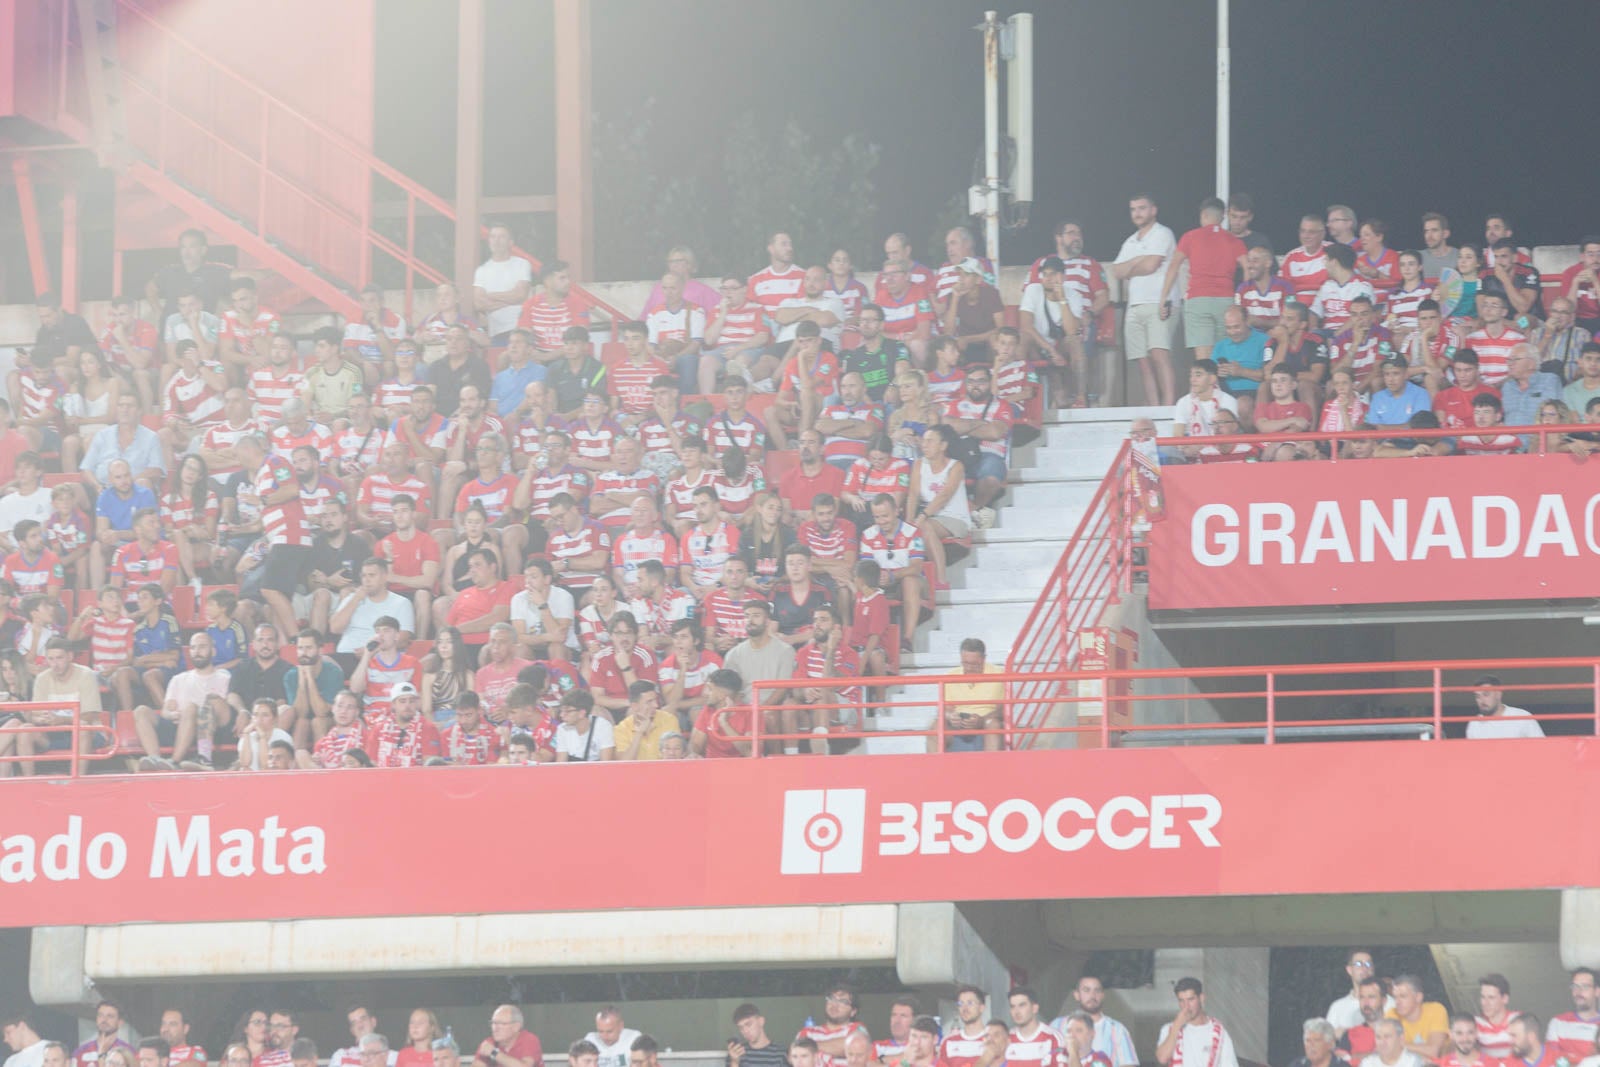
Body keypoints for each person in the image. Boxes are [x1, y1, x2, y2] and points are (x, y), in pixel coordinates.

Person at [1160, 198, 1247, 360]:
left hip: (1198, 300)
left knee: (1203, 360)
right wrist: (1243, 299)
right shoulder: (1234, 240)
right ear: (1222, 218)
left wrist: (1163, 298)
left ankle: (1207, 385)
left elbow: (1174, 266)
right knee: (1225, 356)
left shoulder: (1190, 237)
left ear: (1203, 215)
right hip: (1226, 301)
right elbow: (1248, 269)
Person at [1112, 194, 1178, 405]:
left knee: (1159, 355)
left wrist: (1131, 266)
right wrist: (1139, 260)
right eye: (1133, 209)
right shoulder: (1130, 240)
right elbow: (1117, 271)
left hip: (1159, 302)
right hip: (1134, 306)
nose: (1137, 213)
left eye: (1142, 208)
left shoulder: (1163, 233)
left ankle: (1168, 407)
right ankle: (1154, 407)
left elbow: (1151, 265)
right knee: (1142, 361)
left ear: (1153, 210)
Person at [1054, 975, 1138, 1067]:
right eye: (1086, 990)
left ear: (1102, 995)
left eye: (1097, 990)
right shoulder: (1057, 1025)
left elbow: (1129, 1064)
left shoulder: (1117, 1030)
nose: (1092, 995)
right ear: (1076, 995)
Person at [1155, 979, 1238, 1067]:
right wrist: (1177, 1025)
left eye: (1191, 999)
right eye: (1181, 1000)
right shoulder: (1170, 1029)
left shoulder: (1220, 1032)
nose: (1186, 1006)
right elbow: (1162, 1059)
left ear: (1201, 998)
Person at [1387, 975, 1449, 1062]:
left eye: (1403, 996)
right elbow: (1386, 1050)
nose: (1397, 1002)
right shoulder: (1391, 1014)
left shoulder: (1436, 1009)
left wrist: (1399, 1046)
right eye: (1395, 997)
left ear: (1418, 997)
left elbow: (1434, 1051)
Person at [1463, 675, 1544, 739]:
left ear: (1498, 694)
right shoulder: (1474, 725)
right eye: (1477, 696)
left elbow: (1543, 748)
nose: (1481, 700)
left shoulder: (1522, 717)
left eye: (1486, 694)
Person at [1548, 969, 1600, 1061]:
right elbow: (1553, 1060)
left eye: (1585, 986)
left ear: (1597, 991)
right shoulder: (1558, 1023)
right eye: (1575, 986)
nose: (1578, 992)